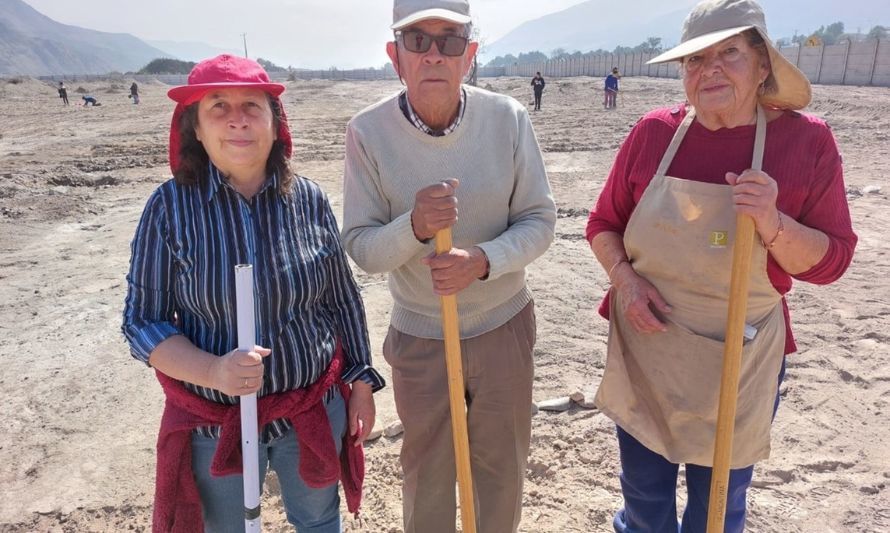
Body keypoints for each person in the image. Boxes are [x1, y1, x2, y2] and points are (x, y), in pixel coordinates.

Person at [585, 1, 857, 531]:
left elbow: (832, 263)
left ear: (762, 65)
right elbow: (602, 225)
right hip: (648, 351)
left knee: (718, 510)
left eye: (728, 53)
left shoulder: (807, 141)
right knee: (645, 505)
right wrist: (627, 282)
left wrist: (773, 223)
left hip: (744, 360)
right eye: (693, 60)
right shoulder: (653, 134)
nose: (708, 70)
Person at [122, 54, 385, 532]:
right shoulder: (167, 209)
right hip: (213, 420)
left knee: (319, 521)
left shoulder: (308, 199)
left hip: (311, 408)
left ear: (274, 121)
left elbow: (341, 299)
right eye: (218, 106)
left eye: (252, 105)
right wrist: (215, 370)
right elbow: (142, 321)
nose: (238, 118)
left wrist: (362, 382)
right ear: (195, 129)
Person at [341, 1, 556, 531]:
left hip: (502, 326)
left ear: (470, 56)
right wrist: (414, 226)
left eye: (450, 41)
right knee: (428, 475)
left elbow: (539, 220)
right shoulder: (367, 133)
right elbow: (363, 248)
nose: (434, 54)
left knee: (501, 471)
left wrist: (484, 261)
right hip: (420, 338)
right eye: (418, 41)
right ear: (396, 57)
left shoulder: (507, 119)